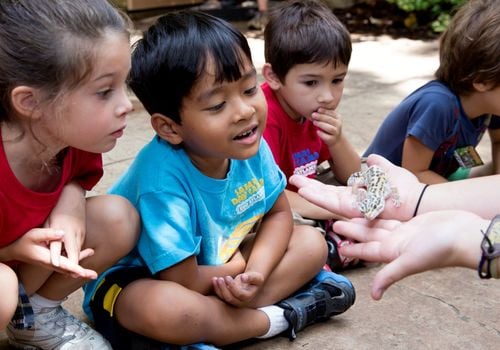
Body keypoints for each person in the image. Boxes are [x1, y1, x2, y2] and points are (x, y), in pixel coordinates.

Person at [82, 11, 355, 349]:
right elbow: (182, 280)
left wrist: (255, 271)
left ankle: (221, 322)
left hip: (222, 267)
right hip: (142, 280)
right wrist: (240, 266)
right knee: (170, 311)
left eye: (250, 88)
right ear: (169, 127)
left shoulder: (247, 143)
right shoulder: (162, 180)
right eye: (216, 105)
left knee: (311, 245)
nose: (244, 111)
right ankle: (276, 318)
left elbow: (278, 213)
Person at [0, 0, 140, 349]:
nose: (127, 105)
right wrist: (13, 248)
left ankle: (37, 317)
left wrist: (71, 203)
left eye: (124, 86)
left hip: (29, 268)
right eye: (105, 91)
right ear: (30, 102)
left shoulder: (75, 139)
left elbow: (79, 178)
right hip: (7, 272)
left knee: (117, 218)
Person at [364, 0, 500, 184]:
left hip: (437, 176)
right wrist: (468, 196)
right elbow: (415, 173)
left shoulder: (492, 106)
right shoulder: (438, 105)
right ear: (482, 80)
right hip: (386, 184)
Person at [262, 0, 360, 222]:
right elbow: (266, 194)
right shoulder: (264, 116)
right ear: (274, 77)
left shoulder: (309, 109)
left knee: (372, 182)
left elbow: (353, 176)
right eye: (310, 82)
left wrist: (337, 141)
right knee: (298, 230)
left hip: (306, 193)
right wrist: (338, 211)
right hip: (274, 205)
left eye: (337, 80)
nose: (327, 96)